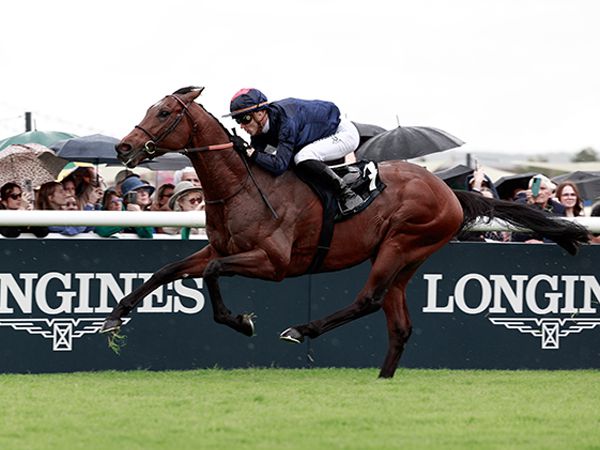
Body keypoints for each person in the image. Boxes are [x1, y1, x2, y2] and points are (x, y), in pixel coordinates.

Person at [225, 88, 362, 214]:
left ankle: (347, 193)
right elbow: (257, 162)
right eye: (238, 121)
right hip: (319, 134)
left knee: (302, 157)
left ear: (260, 113)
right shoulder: (259, 131)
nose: (242, 126)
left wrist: (249, 151)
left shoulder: (286, 121)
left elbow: (279, 166)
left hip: (342, 133)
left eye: (245, 118)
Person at [511, 174, 565, 244]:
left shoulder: (558, 208)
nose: (539, 192)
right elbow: (518, 235)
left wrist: (543, 242)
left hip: (549, 248)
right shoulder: (520, 205)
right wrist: (531, 205)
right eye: (535, 188)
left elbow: (561, 235)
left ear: (550, 192)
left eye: (543, 188)